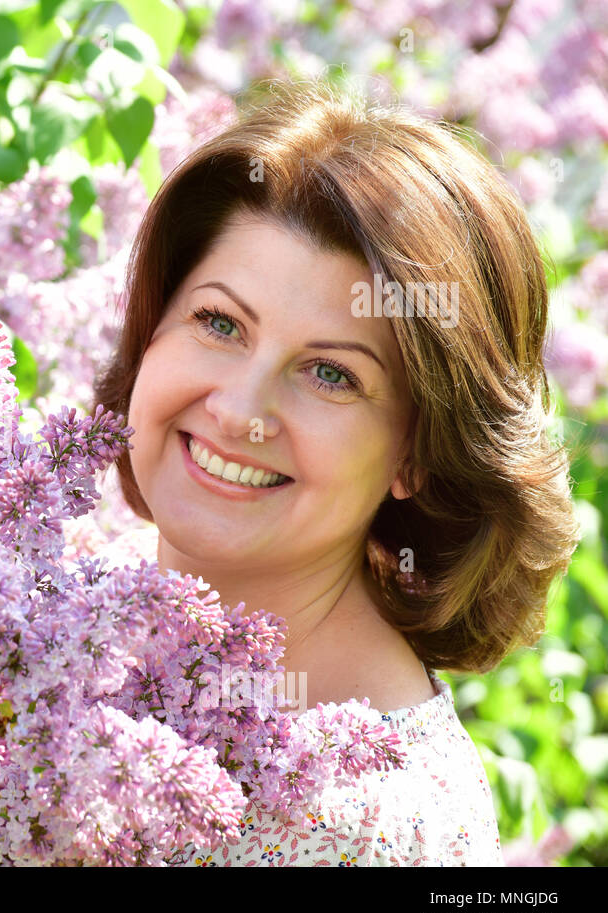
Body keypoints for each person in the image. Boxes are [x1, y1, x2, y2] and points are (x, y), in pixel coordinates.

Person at [92, 78, 580, 865]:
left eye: (331, 374)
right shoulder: (48, 597)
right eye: (219, 322)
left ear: (419, 452)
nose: (240, 410)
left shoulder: (383, 828)